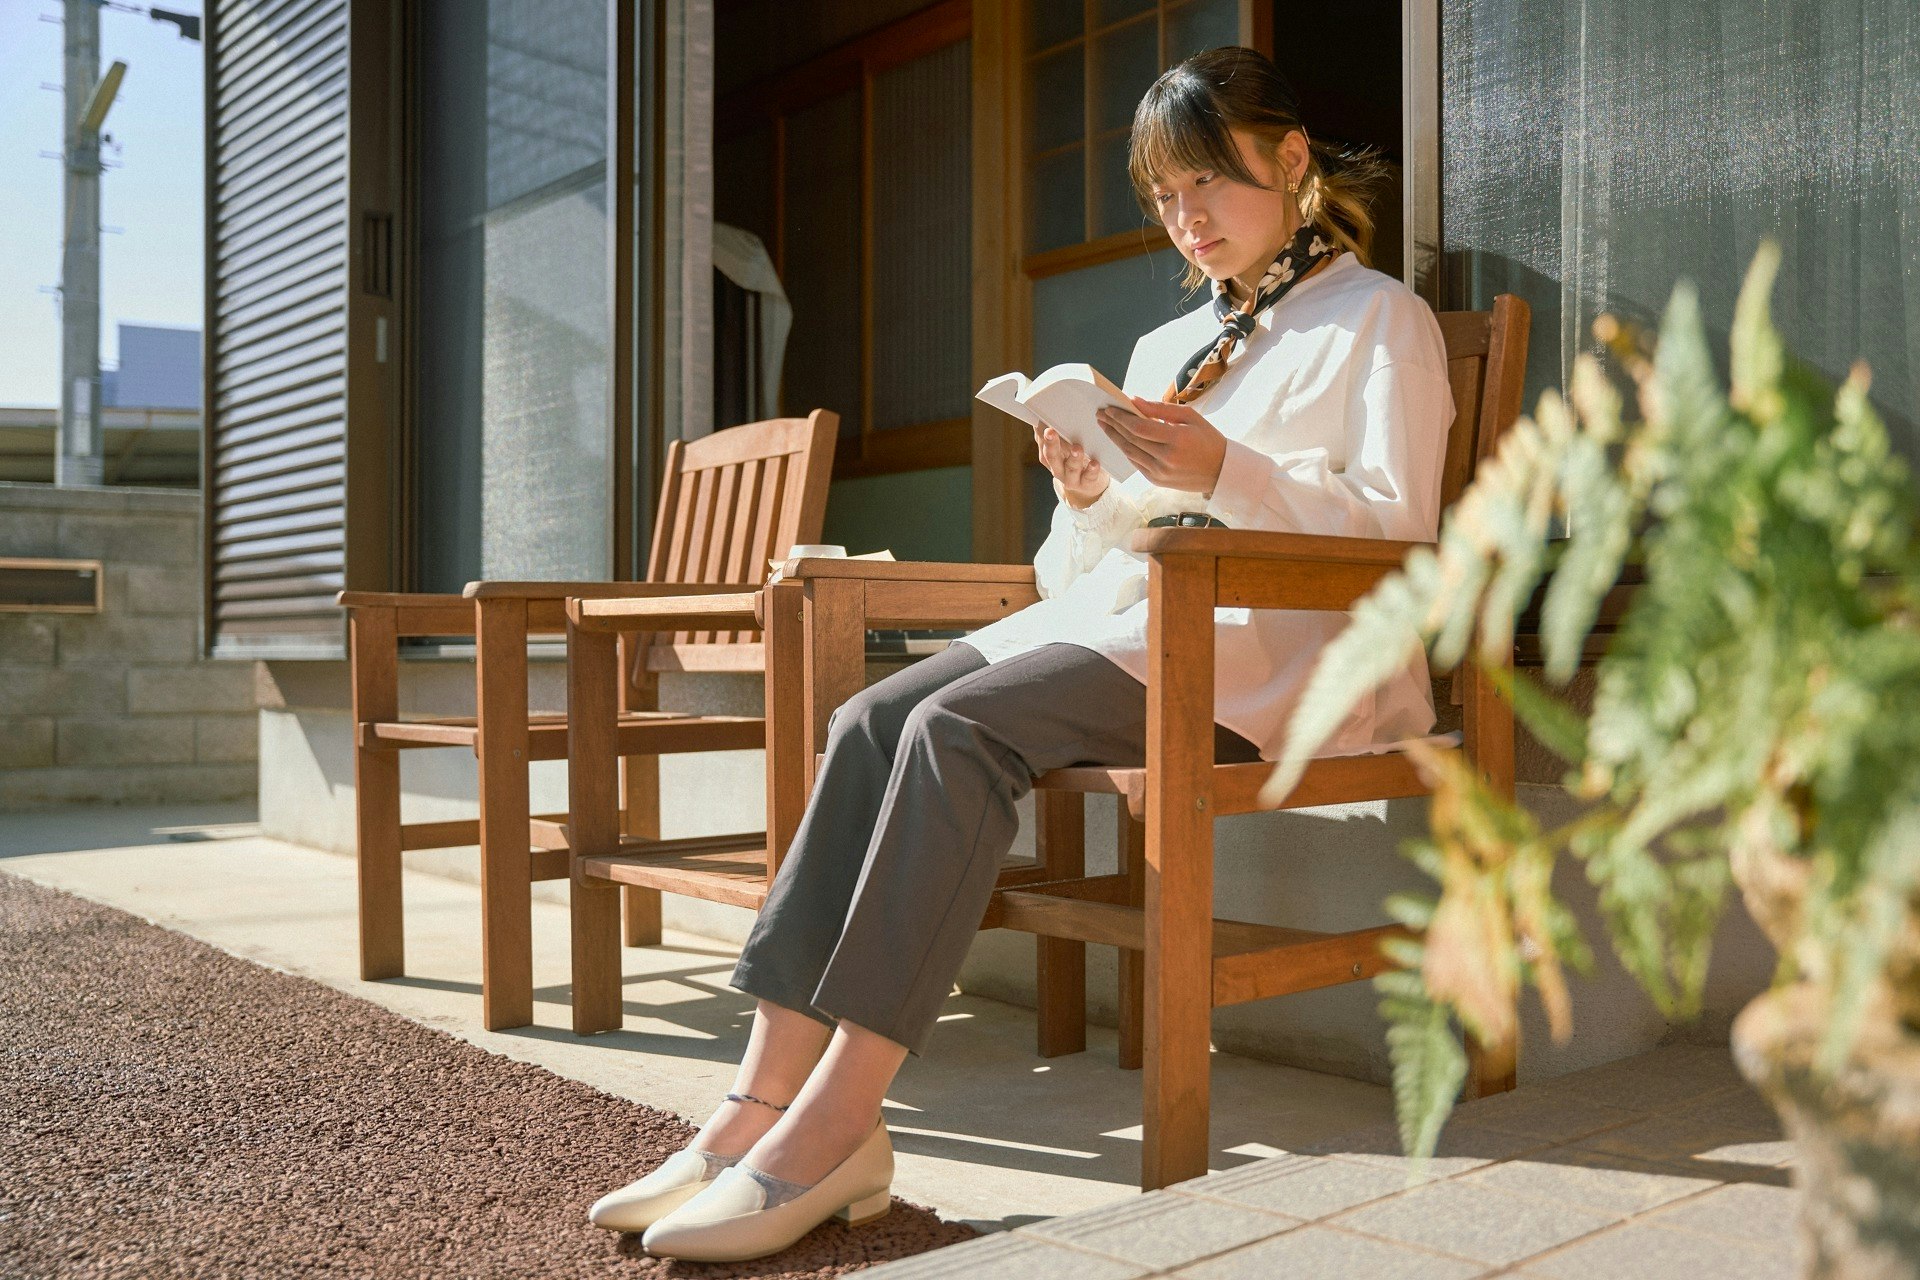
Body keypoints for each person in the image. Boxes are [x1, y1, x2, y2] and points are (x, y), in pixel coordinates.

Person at [590, 45, 1455, 1262]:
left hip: (1273, 656)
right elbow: (1072, 572)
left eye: (1208, 180)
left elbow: (1402, 536)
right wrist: (1089, 486)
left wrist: (1226, 472)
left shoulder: (1380, 321)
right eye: (1164, 194)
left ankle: (840, 1117)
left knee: (959, 731)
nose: (1186, 216)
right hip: (1126, 627)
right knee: (871, 720)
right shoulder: (1165, 350)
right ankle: (756, 1101)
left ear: (1293, 159)